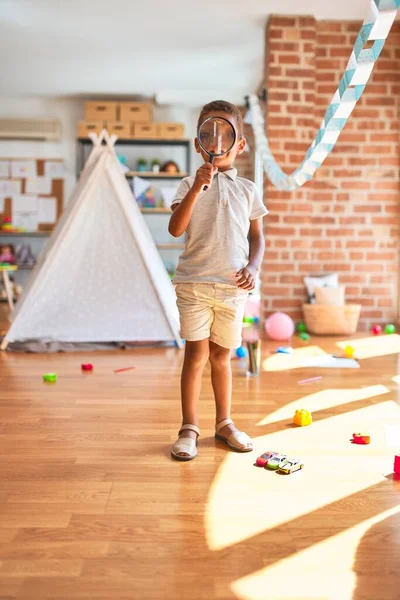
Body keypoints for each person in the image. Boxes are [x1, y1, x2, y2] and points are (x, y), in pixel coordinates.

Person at [168, 100, 268, 461]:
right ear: (198, 143)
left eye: (226, 134)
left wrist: (253, 267)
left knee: (222, 356)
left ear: (239, 144)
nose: (217, 141)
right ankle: (188, 427)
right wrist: (196, 189)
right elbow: (176, 228)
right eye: (209, 134)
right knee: (195, 356)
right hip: (193, 284)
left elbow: (257, 238)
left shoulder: (248, 190)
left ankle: (224, 423)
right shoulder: (186, 183)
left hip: (231, 288)